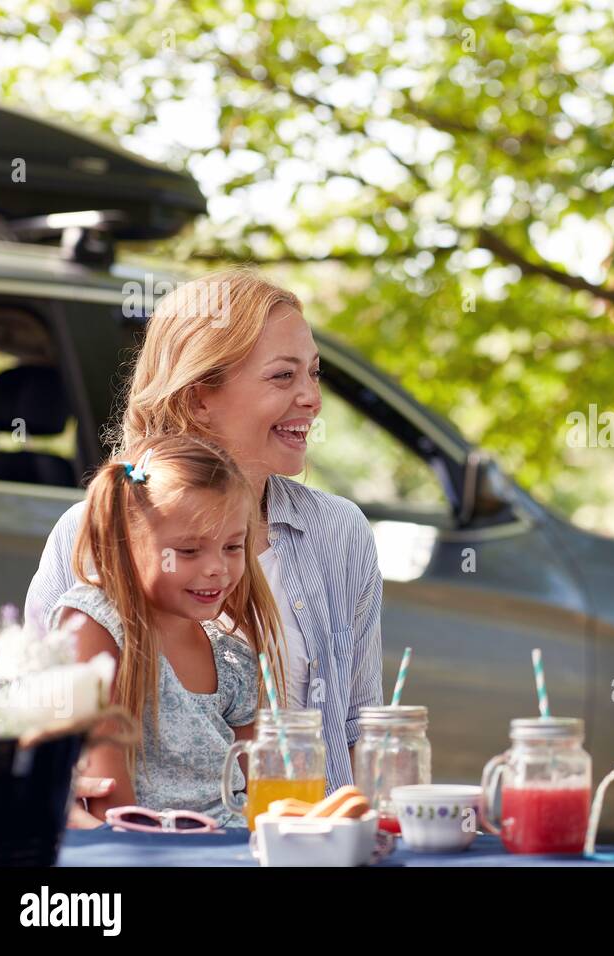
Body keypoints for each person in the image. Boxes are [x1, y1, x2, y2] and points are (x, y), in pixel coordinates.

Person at [27, 269, 383, 824]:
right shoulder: (91, 529)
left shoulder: (340, 532)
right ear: (197, 399)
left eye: (313, 374)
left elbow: (364, 728)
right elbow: (35, 718)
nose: (311, 398)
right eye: (282, 376)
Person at [50, 435, 283, 827]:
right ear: (129, 541)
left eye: (232, 547)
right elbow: (109, 800)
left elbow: (261, 789)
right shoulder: (96, 624)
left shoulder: (231, 658)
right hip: (147, 848)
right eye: (190, 551)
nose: (217, 568)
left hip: (234, 847)